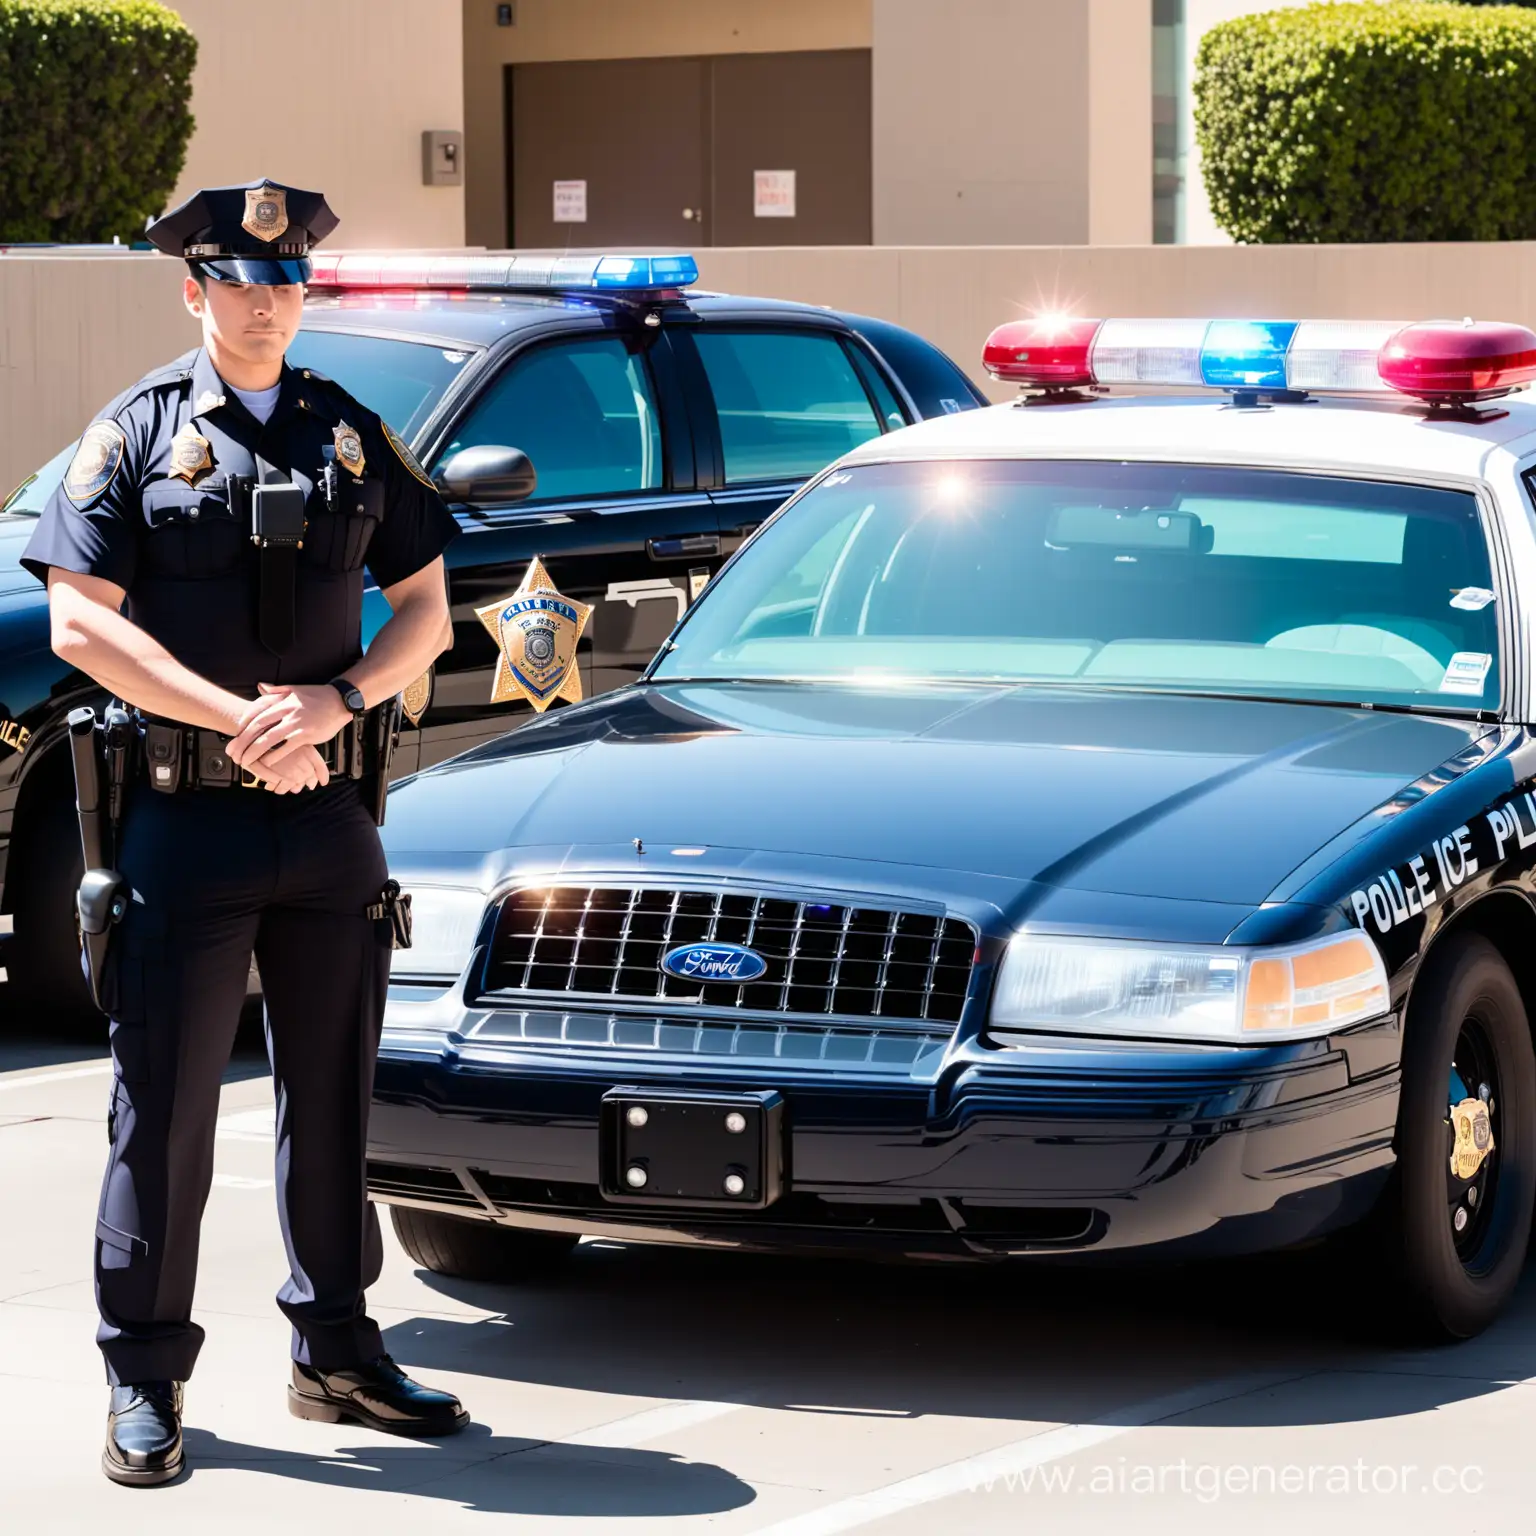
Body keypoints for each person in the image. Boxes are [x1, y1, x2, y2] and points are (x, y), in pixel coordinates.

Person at [21, 178, 469, 1487]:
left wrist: (337, 703)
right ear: (194, 291)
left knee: (332, 1096)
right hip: (185, 824)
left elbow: (428, 610)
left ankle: (336, 1349)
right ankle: (144, 1379)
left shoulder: (348, 434)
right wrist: (237, 722)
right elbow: (78, 622)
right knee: (161, 1113)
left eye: (284, 283)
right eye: (238, 281)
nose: (265, 301)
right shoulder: (136, 435)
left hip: (329, 822)